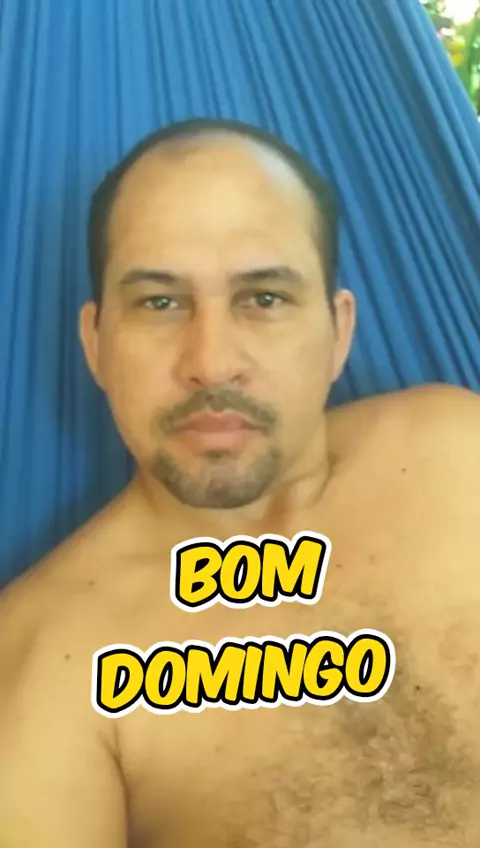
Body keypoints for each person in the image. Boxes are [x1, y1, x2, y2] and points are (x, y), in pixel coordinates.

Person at [1, 117, 480, 848]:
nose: (212, 362)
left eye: (264, 298)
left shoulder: (459, 452)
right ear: (95, 344)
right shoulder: (40, 669)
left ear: (339, 330)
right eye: (159, 302)